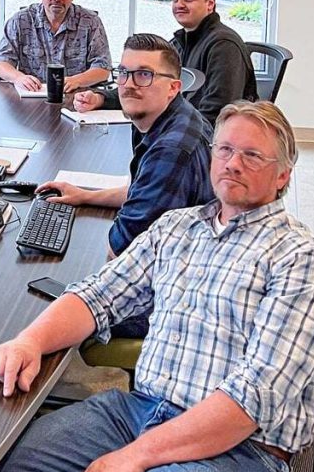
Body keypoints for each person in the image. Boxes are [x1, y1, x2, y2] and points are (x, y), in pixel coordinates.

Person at [0, 100, 314, 472]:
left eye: (252, 156)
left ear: (283, 175)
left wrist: (134, 457)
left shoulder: (303, 261)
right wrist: (29, 341)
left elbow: (252, 399)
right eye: (225, 150)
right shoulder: (177, 228)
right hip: (136, 412)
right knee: (13, 469)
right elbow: (99, 296)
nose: (232, 163)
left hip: (239, 448)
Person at [38, 33, 213, 337]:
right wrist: (85, 196)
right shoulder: (164, 119)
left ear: (174, 87)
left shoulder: (171, 152)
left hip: (170, 303)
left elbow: (118, 254)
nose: (129, 84)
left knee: (33, 303)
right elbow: (141, 190)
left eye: (144, 75)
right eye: (124, 73)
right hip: (181, 271)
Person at [76, 0, 257, 125]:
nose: (179, 4)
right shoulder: (180, 41)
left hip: (201, 144)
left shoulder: (224, 46)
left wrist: (167, 129)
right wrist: (100, 98)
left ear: (210, 3)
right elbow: (143, 86)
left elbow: (218, 114)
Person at [0, 0, 111, 93]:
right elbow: (1, 63)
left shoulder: (90, 22)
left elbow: (103, 68)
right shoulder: (21, 20)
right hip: (31, 96)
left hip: (77, 98)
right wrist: (19, 78)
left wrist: (77, 80)